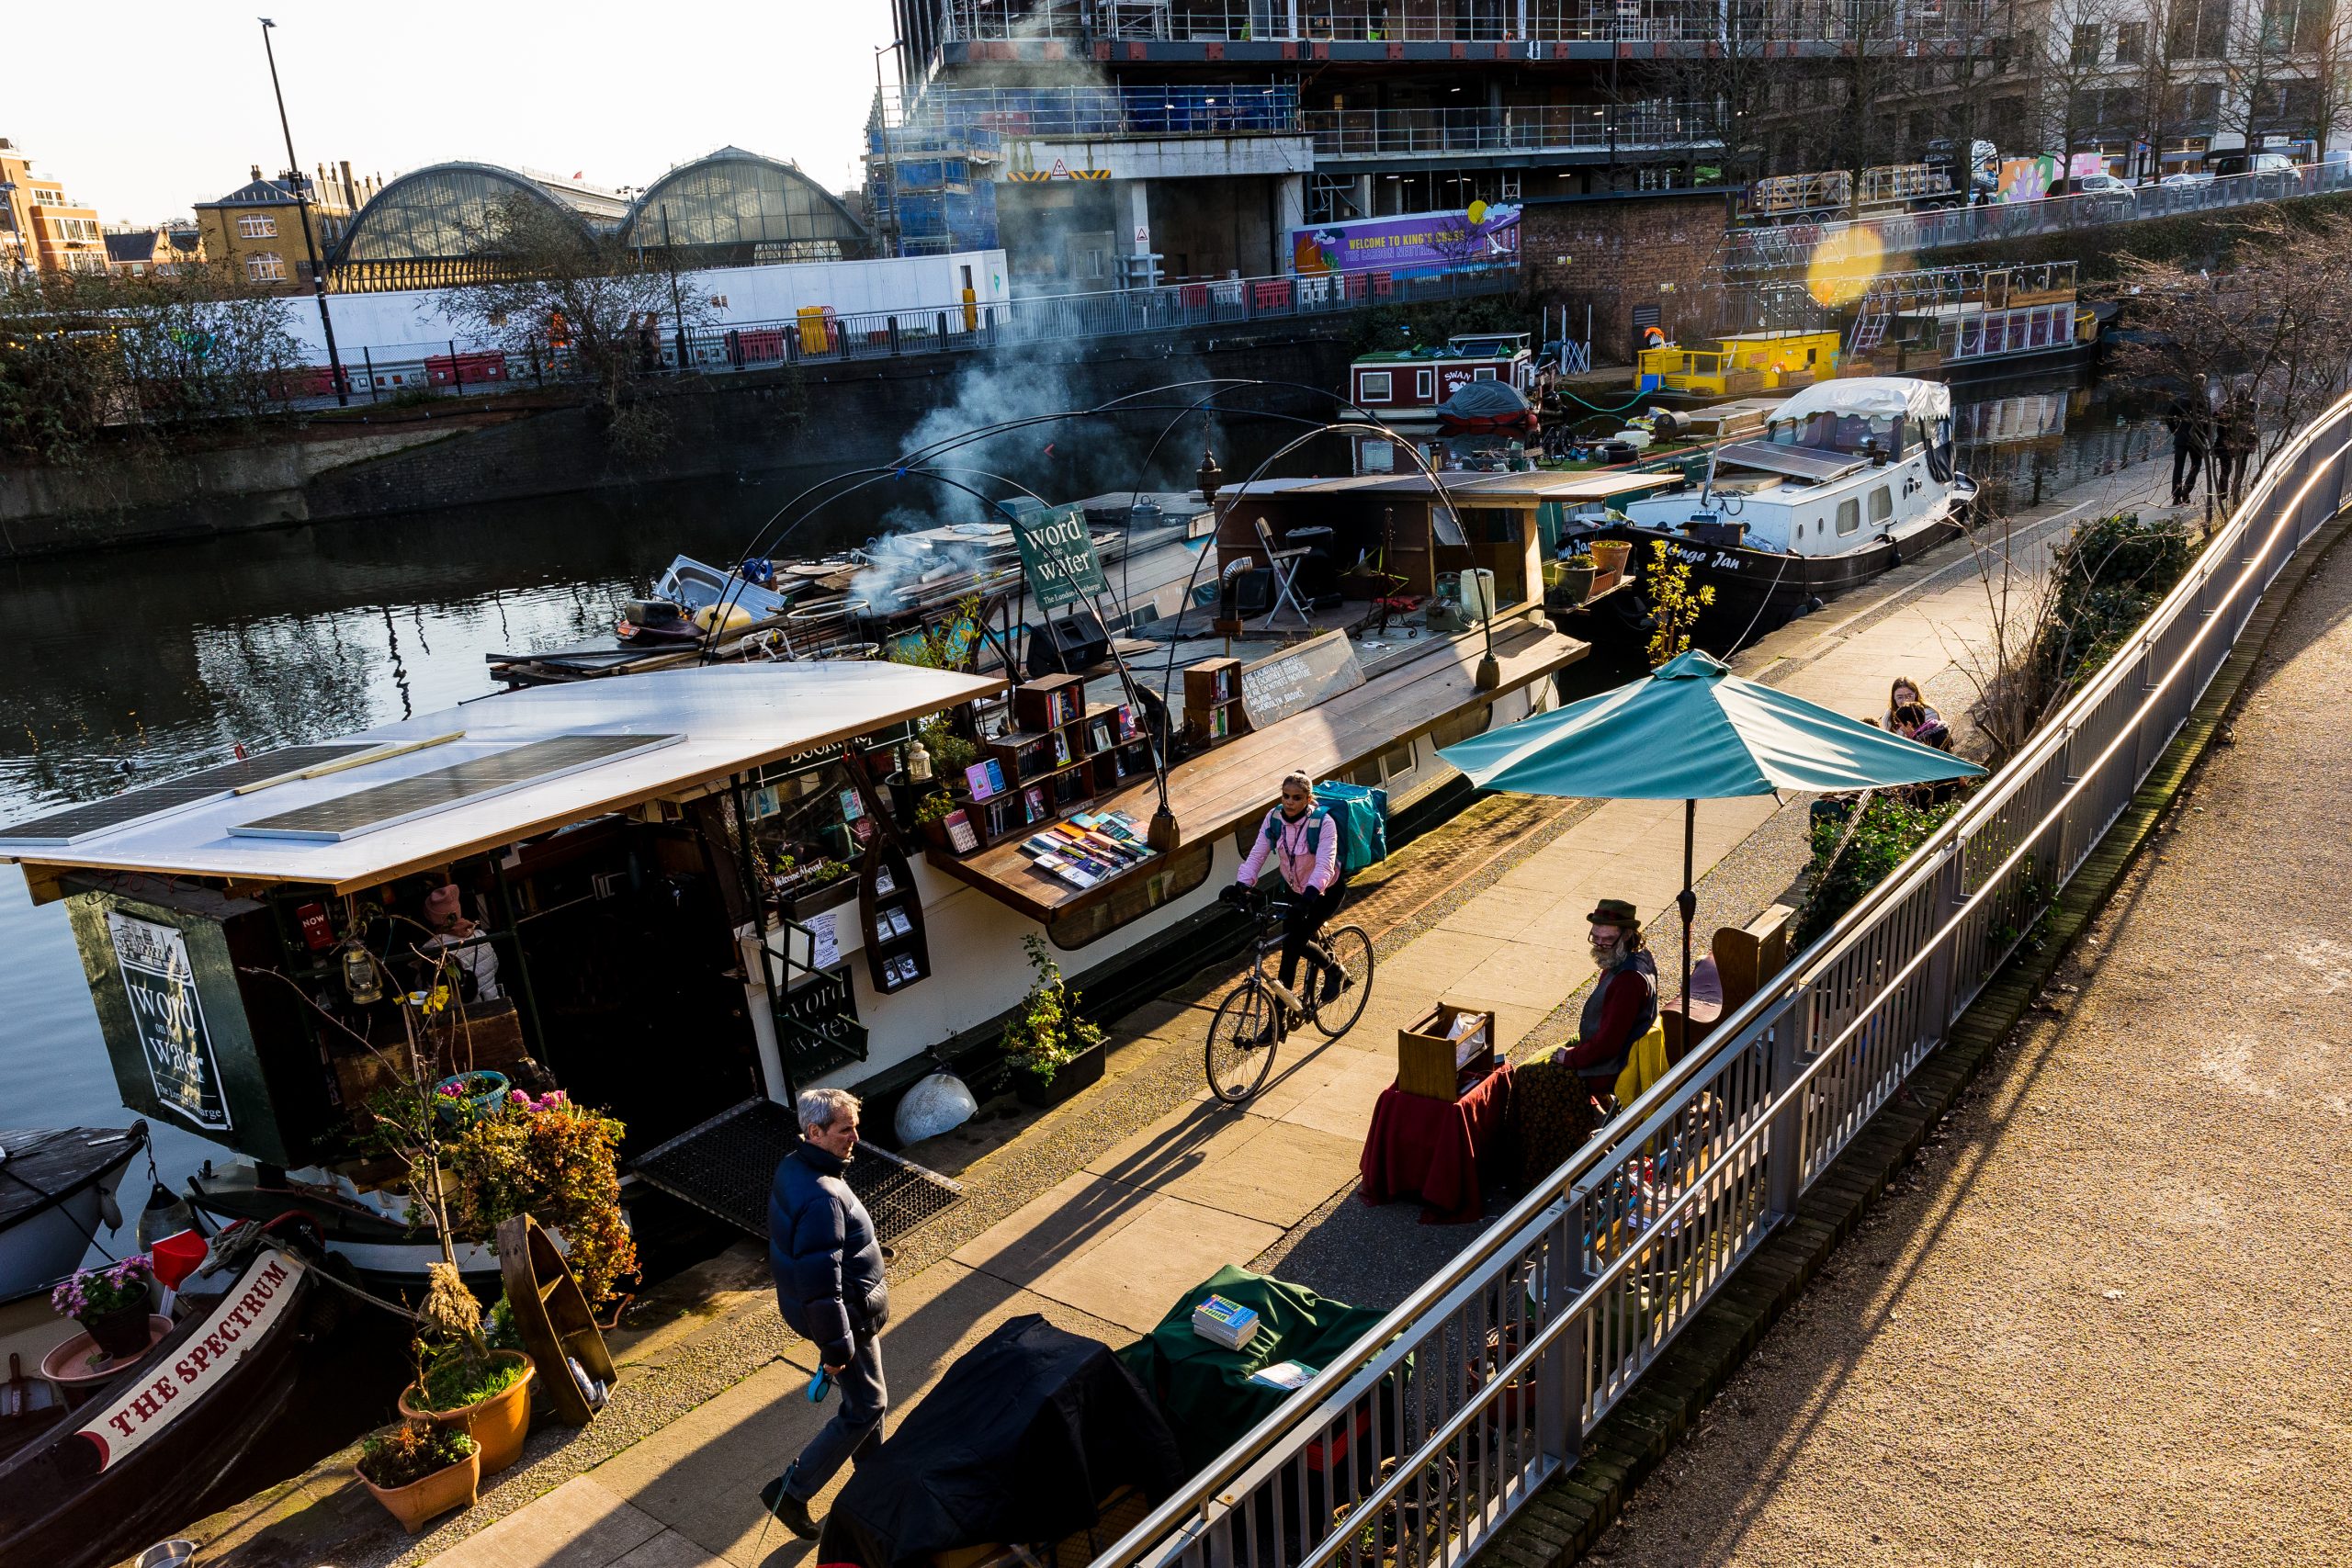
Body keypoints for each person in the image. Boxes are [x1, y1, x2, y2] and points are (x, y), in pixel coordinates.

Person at [761, 1088, 889, 1539]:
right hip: (845, 1319)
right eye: (844, 1129)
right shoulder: (821, 1197)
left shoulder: (798, 1166)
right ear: (814, 1132)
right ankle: (791, 1491)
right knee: (868, 1405)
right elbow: (821, 1285)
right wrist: (836, 1348)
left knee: (864, 1404)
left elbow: (819, 1251)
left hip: (839, 1312)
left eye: (854, 1125)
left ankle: (877, 1485)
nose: (855, 1136)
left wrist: (861, 1249)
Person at [1228, 773, 1348, 1023]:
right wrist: (1242, 885)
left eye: (1297, 797)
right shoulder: (1274, 819)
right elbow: (1258, 853)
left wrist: (1309, 899)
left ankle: (1334, 971)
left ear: (1308, 798)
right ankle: (1278, 1020)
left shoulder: (1323, 823)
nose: (1290, 802)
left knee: (1295, 942)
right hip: (1295, 890)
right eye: (1286, 796)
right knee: (1289, 955)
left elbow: (1325, 865)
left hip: (1325, 892)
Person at [1549, 899, 1660, 1110]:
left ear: (1627, 935)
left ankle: (1573, 1136)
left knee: (1533, 1078)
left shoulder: (1627, 980)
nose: (1600, 946)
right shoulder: (1635, 956)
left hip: (1614, 1065)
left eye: (1607, 939)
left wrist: (1571, 1057)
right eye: (1595, 938)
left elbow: (1607, 1045)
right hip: (1617, 1048)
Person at [420, 883, 501, 1001]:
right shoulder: (481, 936)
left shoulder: (432, 950)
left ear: (431, 918)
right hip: (495, 1004)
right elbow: (495, 966)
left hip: (464, 1014)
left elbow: (427, 991)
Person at [2164, 390, 2209, 506]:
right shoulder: (2205, 399)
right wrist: (2206, 437)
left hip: (2181, 437)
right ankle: (2187, 489)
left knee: (2178, 467)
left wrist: (2175, 431)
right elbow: (2206, 422)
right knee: (2196, 464)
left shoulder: (2180, 398)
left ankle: (2176, 494)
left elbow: (2168, 417)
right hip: (2197, 437)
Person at [2213, 388, 2257, 505]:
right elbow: (2252, 428)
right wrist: (2252, 443)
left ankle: (2222, 494)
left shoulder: (2227, 407)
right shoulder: (2251, 409)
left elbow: (2218, 424)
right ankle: (2235, 492)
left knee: (2225, 470)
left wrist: (2222, 440)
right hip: (2244, 444)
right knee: (2240, 469)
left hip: (2226, 444)